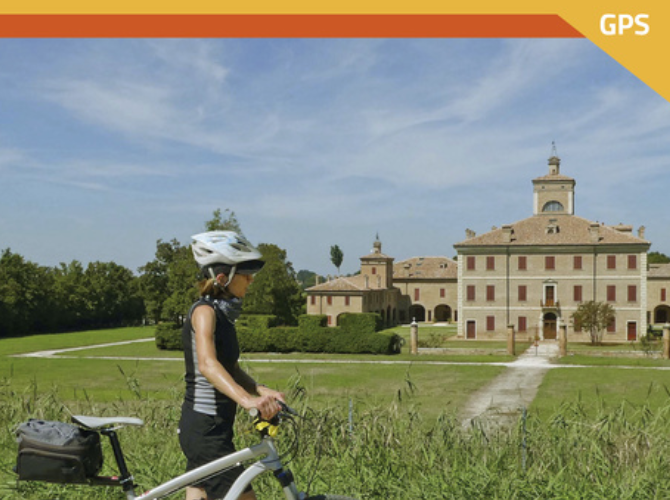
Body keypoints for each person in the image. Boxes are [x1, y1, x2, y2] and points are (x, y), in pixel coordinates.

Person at [179, 230, 284, 500]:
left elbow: (230, 368)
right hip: (205, 430)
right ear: (222, 276)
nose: (250, 280)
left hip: (211, 428)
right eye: (245, 273)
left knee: (200, 493)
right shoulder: (204, 312)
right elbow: (208, 365)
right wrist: (247, 400)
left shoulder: (223, 317)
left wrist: (260, 389)